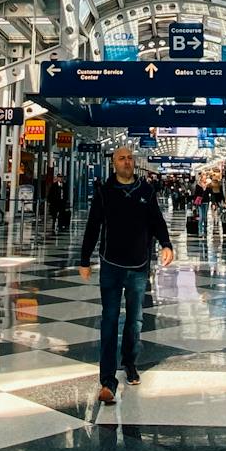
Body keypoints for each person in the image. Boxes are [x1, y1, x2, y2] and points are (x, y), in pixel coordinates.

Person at [79, 144, 173, 403]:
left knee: (135, 321)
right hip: (111, 264)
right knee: (109, 320)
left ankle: (129, 362)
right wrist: (84, 258)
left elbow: (156, 221)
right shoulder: (104, 192)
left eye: (130, 158)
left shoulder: (146, 190)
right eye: (121, 158)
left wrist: (166, 243)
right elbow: (93, 224)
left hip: (139, 266)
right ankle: (107, 380)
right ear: (113, 163)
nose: (127, 161)